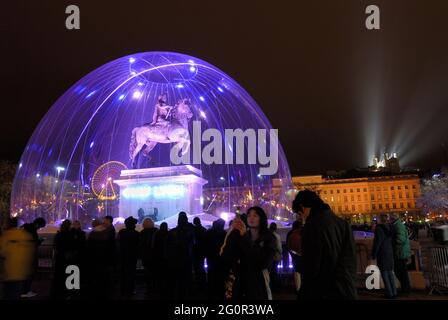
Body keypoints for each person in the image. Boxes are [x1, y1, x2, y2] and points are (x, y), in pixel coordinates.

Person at [292, 190, 357, 300]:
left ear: (302, 208)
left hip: (323, 291)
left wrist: (297, 262)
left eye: (299, 214)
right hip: (346, 288)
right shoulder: (342, 223)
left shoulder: (312, 226)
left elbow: (312, 267)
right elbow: (351, 257)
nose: (302, 218)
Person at [220, 206, 276, 300]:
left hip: (259, 283)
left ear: (261, 218)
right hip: (241, 284)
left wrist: (245, 237)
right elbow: (227, 257)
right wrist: (233, 232)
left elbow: (263, 263)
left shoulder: (268, 238)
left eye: (255, 216)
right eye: (249, 215)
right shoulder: (242, 235)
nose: (251, 218)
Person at [0, 218, 35, 300]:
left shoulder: (6, 236)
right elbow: (30, 255)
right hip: (21, 272)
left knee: (8, 295)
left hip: (8, 272)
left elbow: (2, 252)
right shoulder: (26, 236)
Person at [166, 212, 195, 300]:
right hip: (186, 260)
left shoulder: (172, 232)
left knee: (176, 281)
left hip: (176, 260)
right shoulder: (191, 232)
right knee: (185, 280)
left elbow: (168, 247)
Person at [372, 215, 397, 299]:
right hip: (389, 251)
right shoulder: (391, 227)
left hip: (382, 253)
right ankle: (394, 291)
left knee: (384, 272)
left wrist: (374, 254)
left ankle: (389, 293)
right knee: (390, 272)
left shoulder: (379, 229)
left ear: (380, 220)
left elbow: (377, 243)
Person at [21, 217, 46, 298]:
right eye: (40, 227)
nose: (40, 228)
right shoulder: (32, 230)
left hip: (23, 254)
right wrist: (40, 241)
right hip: (29, 255)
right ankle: (26, 291)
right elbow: (33, 243)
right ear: (38, 224)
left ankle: (23, 290)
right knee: (30, 273)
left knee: (25, 273)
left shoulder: (26, 228)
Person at [86, 219, 110, 298]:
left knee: (94, 275)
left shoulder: (92, 234)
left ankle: (94, 291)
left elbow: (89, 247)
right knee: (102, 275)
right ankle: (103, 291)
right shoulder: (106, 232)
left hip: (94, 258)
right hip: (104, 257)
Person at [118, 216, 140, 297]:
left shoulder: (121, 232)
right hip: (132, 257)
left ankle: (122, 290)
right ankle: (130, 290)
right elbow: (138, 246)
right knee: (131, 274)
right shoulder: (136, 234)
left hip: (123, 256)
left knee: (123, 273)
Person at [205, 219, 227, 300]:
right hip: (220, 259)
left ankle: (211, 293)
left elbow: (205, 244)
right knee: (220, 277)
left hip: (211, 258)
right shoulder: (224, 233)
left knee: (211, 276)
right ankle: (220, 293)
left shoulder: (209, 232)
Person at [390, 214, 411, 295]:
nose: (389, 220)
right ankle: (405, 289)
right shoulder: (398, 225)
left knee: (401, 272)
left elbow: (400, 239)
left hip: (400, 252)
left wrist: (392, 243)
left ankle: (406, 290)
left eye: (390, 219)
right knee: (401, 272)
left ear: (393, 219)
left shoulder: (398, 226)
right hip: (401, 252)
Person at [53, 219, 74, 299]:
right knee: (69, 275)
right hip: (68, 257)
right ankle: (68, 293)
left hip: (60, 257)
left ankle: (58, 293)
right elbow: (72, 245)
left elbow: (56, 246)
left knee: (59, 275)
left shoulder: (58, 235)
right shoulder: (70, 234)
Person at [140, 218, 158, 295]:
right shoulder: (156, 231)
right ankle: (155, 288)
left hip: (146, 256)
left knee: (147, 273)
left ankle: (149, 289)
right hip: (155, 256)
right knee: (155, 272)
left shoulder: (142, 233)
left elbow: (141, 245)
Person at [286, 219, 303, 296]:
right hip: (303, 255)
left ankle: (298, 289)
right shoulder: (303, 233)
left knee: (297, 273)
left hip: (295, 256)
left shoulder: (290, 234)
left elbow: (288, 246)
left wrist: (292, 254)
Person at [153, 222, 169, 298]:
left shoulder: (156, 234)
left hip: (158, 257)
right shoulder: (169, 234)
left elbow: (153, 245)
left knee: (159, 274)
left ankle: (158, 289)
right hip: (166, 257)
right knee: (166, 274)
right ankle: (166, 289)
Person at [192, 217, 207, 290]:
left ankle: (198, 283)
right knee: (201, 267)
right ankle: (203, 283)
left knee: (196, 268)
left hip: (195, 252)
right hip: (203, 251)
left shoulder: (193, 230)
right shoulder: (204, 230)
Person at [269, 222, 283, 291]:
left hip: (268, 256)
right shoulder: (277, 236)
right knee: (274, 272)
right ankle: (275, 287)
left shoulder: (267, 235)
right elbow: (279, 247)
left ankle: (269, 286)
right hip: (275, 256)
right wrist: (281, 253)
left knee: (269, 271)